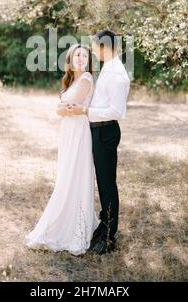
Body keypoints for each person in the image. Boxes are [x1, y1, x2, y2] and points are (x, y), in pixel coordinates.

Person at [25, 44, 100, 256]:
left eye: (85, 55)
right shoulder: (71, 80)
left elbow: (68, 107)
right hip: (68, 131)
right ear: (70, 58)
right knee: (66, 174)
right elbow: (62, 109)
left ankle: (74, 226)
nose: (81, 58)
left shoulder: (86, 78)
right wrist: (61, 109)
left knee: (73, 175)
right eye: (77, 54)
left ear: (88, 60)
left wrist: (60, 108)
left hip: (79, 131)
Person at [65, 30, 130, 254]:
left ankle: (109, 238)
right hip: (97, 130)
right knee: (102, 183)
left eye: (94, 47)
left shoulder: (118, 74)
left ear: (104, 46)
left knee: (107, 184)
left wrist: (85, 110)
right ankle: (104, 225)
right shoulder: (108, 68)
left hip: (106, 131)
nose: (93, 51)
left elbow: (116, 111)